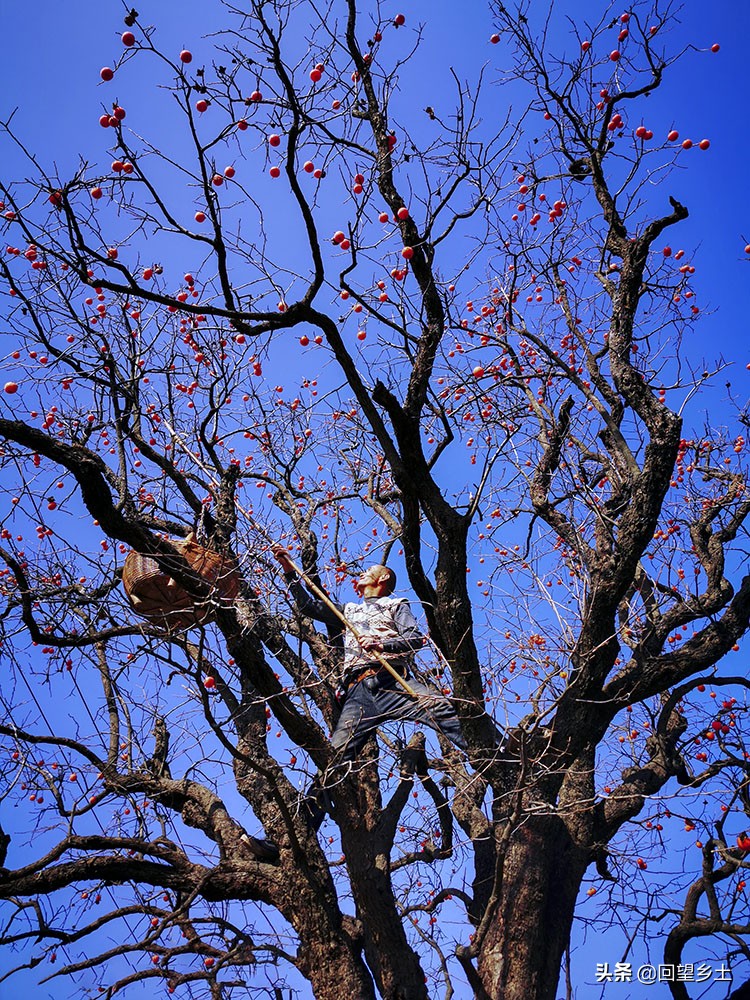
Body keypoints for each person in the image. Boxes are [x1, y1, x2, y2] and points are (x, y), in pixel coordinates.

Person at [273, 547, 467, 825]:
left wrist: (381, 645)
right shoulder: (349, 610)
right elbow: (308, 607)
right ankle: (301, 826)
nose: (362, 574)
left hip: (392, 681)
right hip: (358, 691)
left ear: (383, 577)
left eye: (369, 571)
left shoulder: (396, 605)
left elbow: (415, 639)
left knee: (439, 707)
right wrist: (290, 572)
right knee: (335, 757)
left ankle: (499, 754)